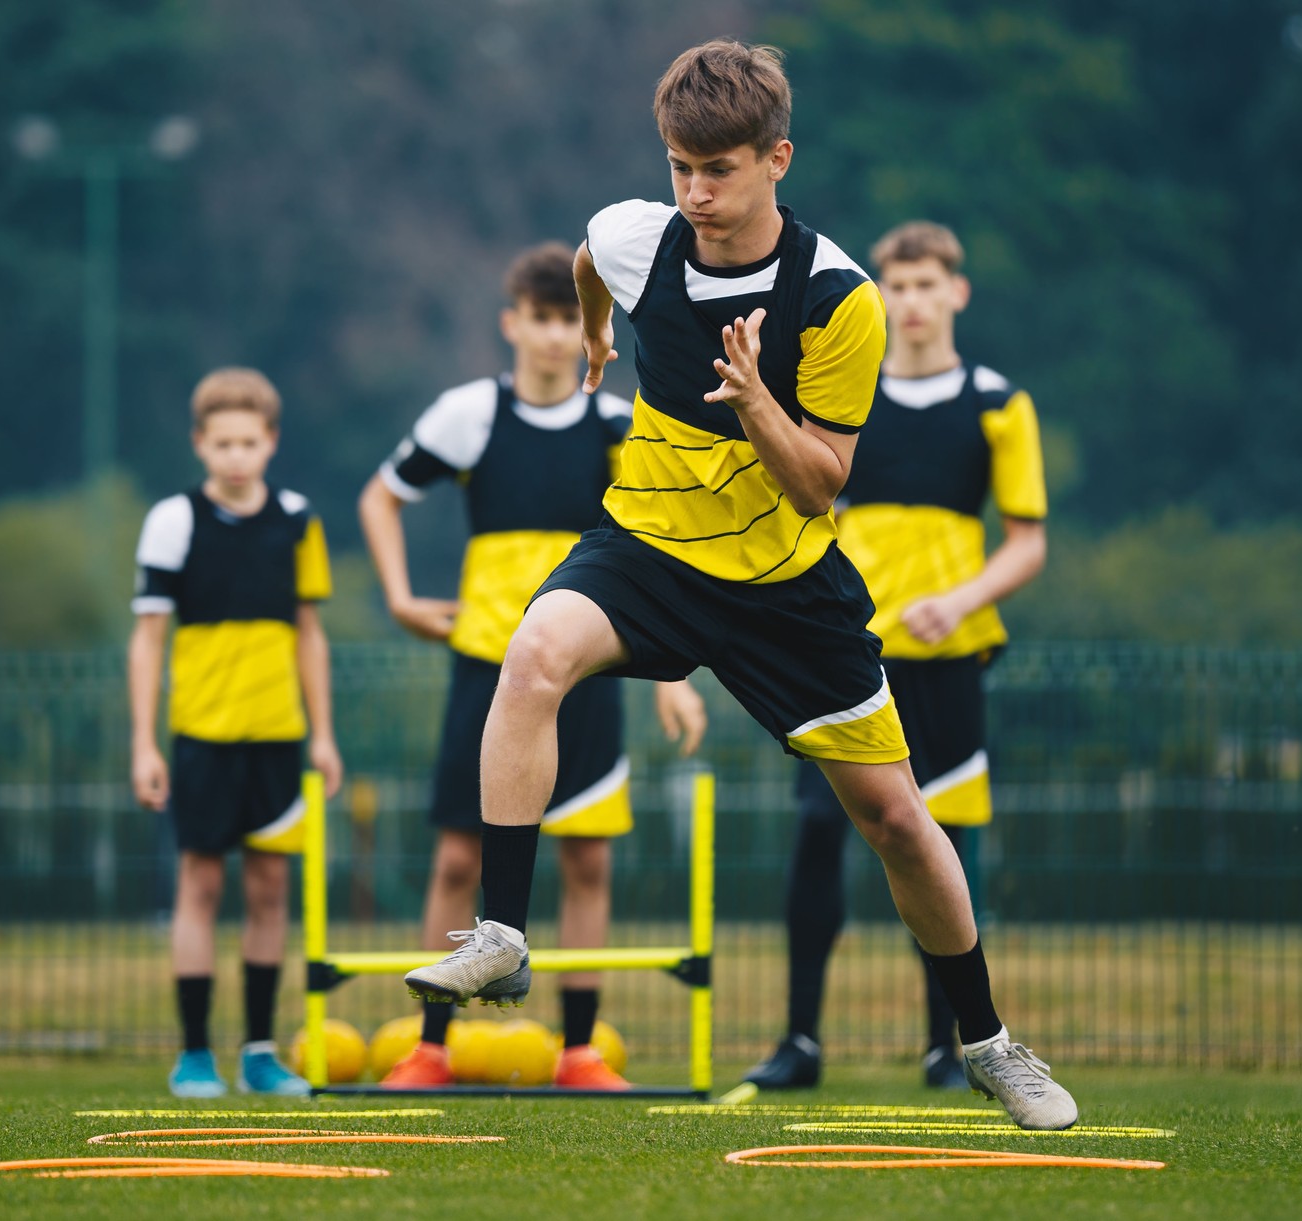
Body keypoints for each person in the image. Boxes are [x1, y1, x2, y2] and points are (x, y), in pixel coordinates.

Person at [403, 40, 1076, 1128]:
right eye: (679, 167)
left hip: (783, 582)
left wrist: (758, 397)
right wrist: (593, 335)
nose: (696, 193)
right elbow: (588, 256)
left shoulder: (838, 300)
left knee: (899, 820)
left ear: (778, 158)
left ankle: (990, 1042)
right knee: (531, 657)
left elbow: (820, 488)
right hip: (650, 546)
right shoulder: (636, 237)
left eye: (718, 169)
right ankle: (503, 936)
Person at [360, 243, 707, 1090]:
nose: (556, 337)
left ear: (592, 327)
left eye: (569, 319)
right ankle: (431, 1048)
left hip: (590, 668)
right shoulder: (469, 414)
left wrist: (676, 675)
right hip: (485, 664)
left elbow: (665, 544)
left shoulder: (618, 423)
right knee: (454, 859)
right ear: (512, 323)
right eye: (542, 319)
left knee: (588, 860)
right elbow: (382, 496)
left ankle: (580, 1051)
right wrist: (403, 598)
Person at [744, 220, 1049, 1091]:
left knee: (937, 839)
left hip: (951, 658)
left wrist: (958, 602)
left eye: (927, 285)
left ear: (956, 292)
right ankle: (798, 1041)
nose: (911, 302)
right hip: (838, 648)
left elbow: (1027, 543)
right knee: (815, 831)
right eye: (898, 286)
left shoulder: (997, 403)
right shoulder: (845, 389)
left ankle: (947, 1046)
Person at [127, 367, 344, 1098]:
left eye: (248, 441)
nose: (236, 455)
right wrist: (144, 742)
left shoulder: (297, 519)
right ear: (199, 444)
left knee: (269, 888)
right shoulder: (172, 521)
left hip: (278, 737)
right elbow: (147, 641)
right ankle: (194, 1053)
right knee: (199, 882)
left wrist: (323, 733)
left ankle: (259, 1051)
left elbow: (310, 633)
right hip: (201, 737)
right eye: (222, 442)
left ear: (271, 442)